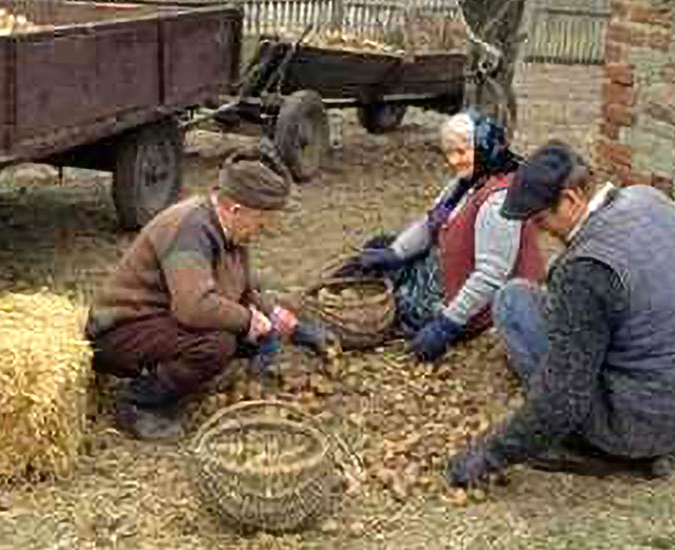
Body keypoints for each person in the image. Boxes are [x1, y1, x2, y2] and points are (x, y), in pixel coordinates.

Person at [447, 141, 675, 485]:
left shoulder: (586, 271)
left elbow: (563, 397)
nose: (540, 231)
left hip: (644, 428)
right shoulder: (647, 198)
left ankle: (602, 451)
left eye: (540, 219)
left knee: (513, 301)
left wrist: (489, 456)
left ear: (570, 199)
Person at [85, 143, 333, 440]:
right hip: (119, 332)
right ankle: (137, 403)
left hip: (160, 320)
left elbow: (243, 291)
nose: (262, 232)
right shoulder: (191, 228)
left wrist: (290, 326)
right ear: (237, 209)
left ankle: (173, 379)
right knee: (218, 344)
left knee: (241, 337)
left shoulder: (230, 231)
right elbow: (193, 307)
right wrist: (250, 322)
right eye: (261, 224)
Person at [343, 111, 545, 361]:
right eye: (449, 153)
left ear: (484, 149)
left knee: (396, 307)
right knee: (378, 249)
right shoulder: (466, 182)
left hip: (470, 299)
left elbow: (490, 275)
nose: (453, 160)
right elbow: (429, 224)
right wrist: (394, 253)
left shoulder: (498, 201)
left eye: (462, 152)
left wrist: (447, 325)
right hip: (446, 268)